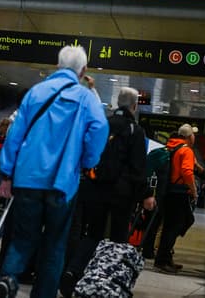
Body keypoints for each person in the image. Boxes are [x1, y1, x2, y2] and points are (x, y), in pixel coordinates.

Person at [0, 45, 109, 298]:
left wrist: (7, 173)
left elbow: (15, 134)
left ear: (58, 65)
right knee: (55, 244)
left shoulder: (36, 92)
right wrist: (87, 161)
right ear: (83, 70)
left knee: (23, 237)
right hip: (62, 183)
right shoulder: (86, 97)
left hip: (27, 178)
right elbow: (99, 128)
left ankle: (8, 278)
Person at [60, 86, 147, 296]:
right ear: (134, 106)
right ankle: (107, 283)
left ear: (118, 103)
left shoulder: (103, 124)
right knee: (117, 239)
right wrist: (144, 195)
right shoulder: (135, 130)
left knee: (92, 234)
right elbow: (138, 167)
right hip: (121, 195)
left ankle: (73, 272)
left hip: (95, 189)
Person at [153, 124, 198, 274]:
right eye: (193, 134)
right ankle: (162, 260)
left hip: (167, 192)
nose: (194, 137)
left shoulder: (170, 147)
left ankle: (165, 257)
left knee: (171, 226)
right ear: (188, 137)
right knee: (175, 226)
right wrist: (193, 190)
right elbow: (186, 172)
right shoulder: (186, 150)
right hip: (179, 193)